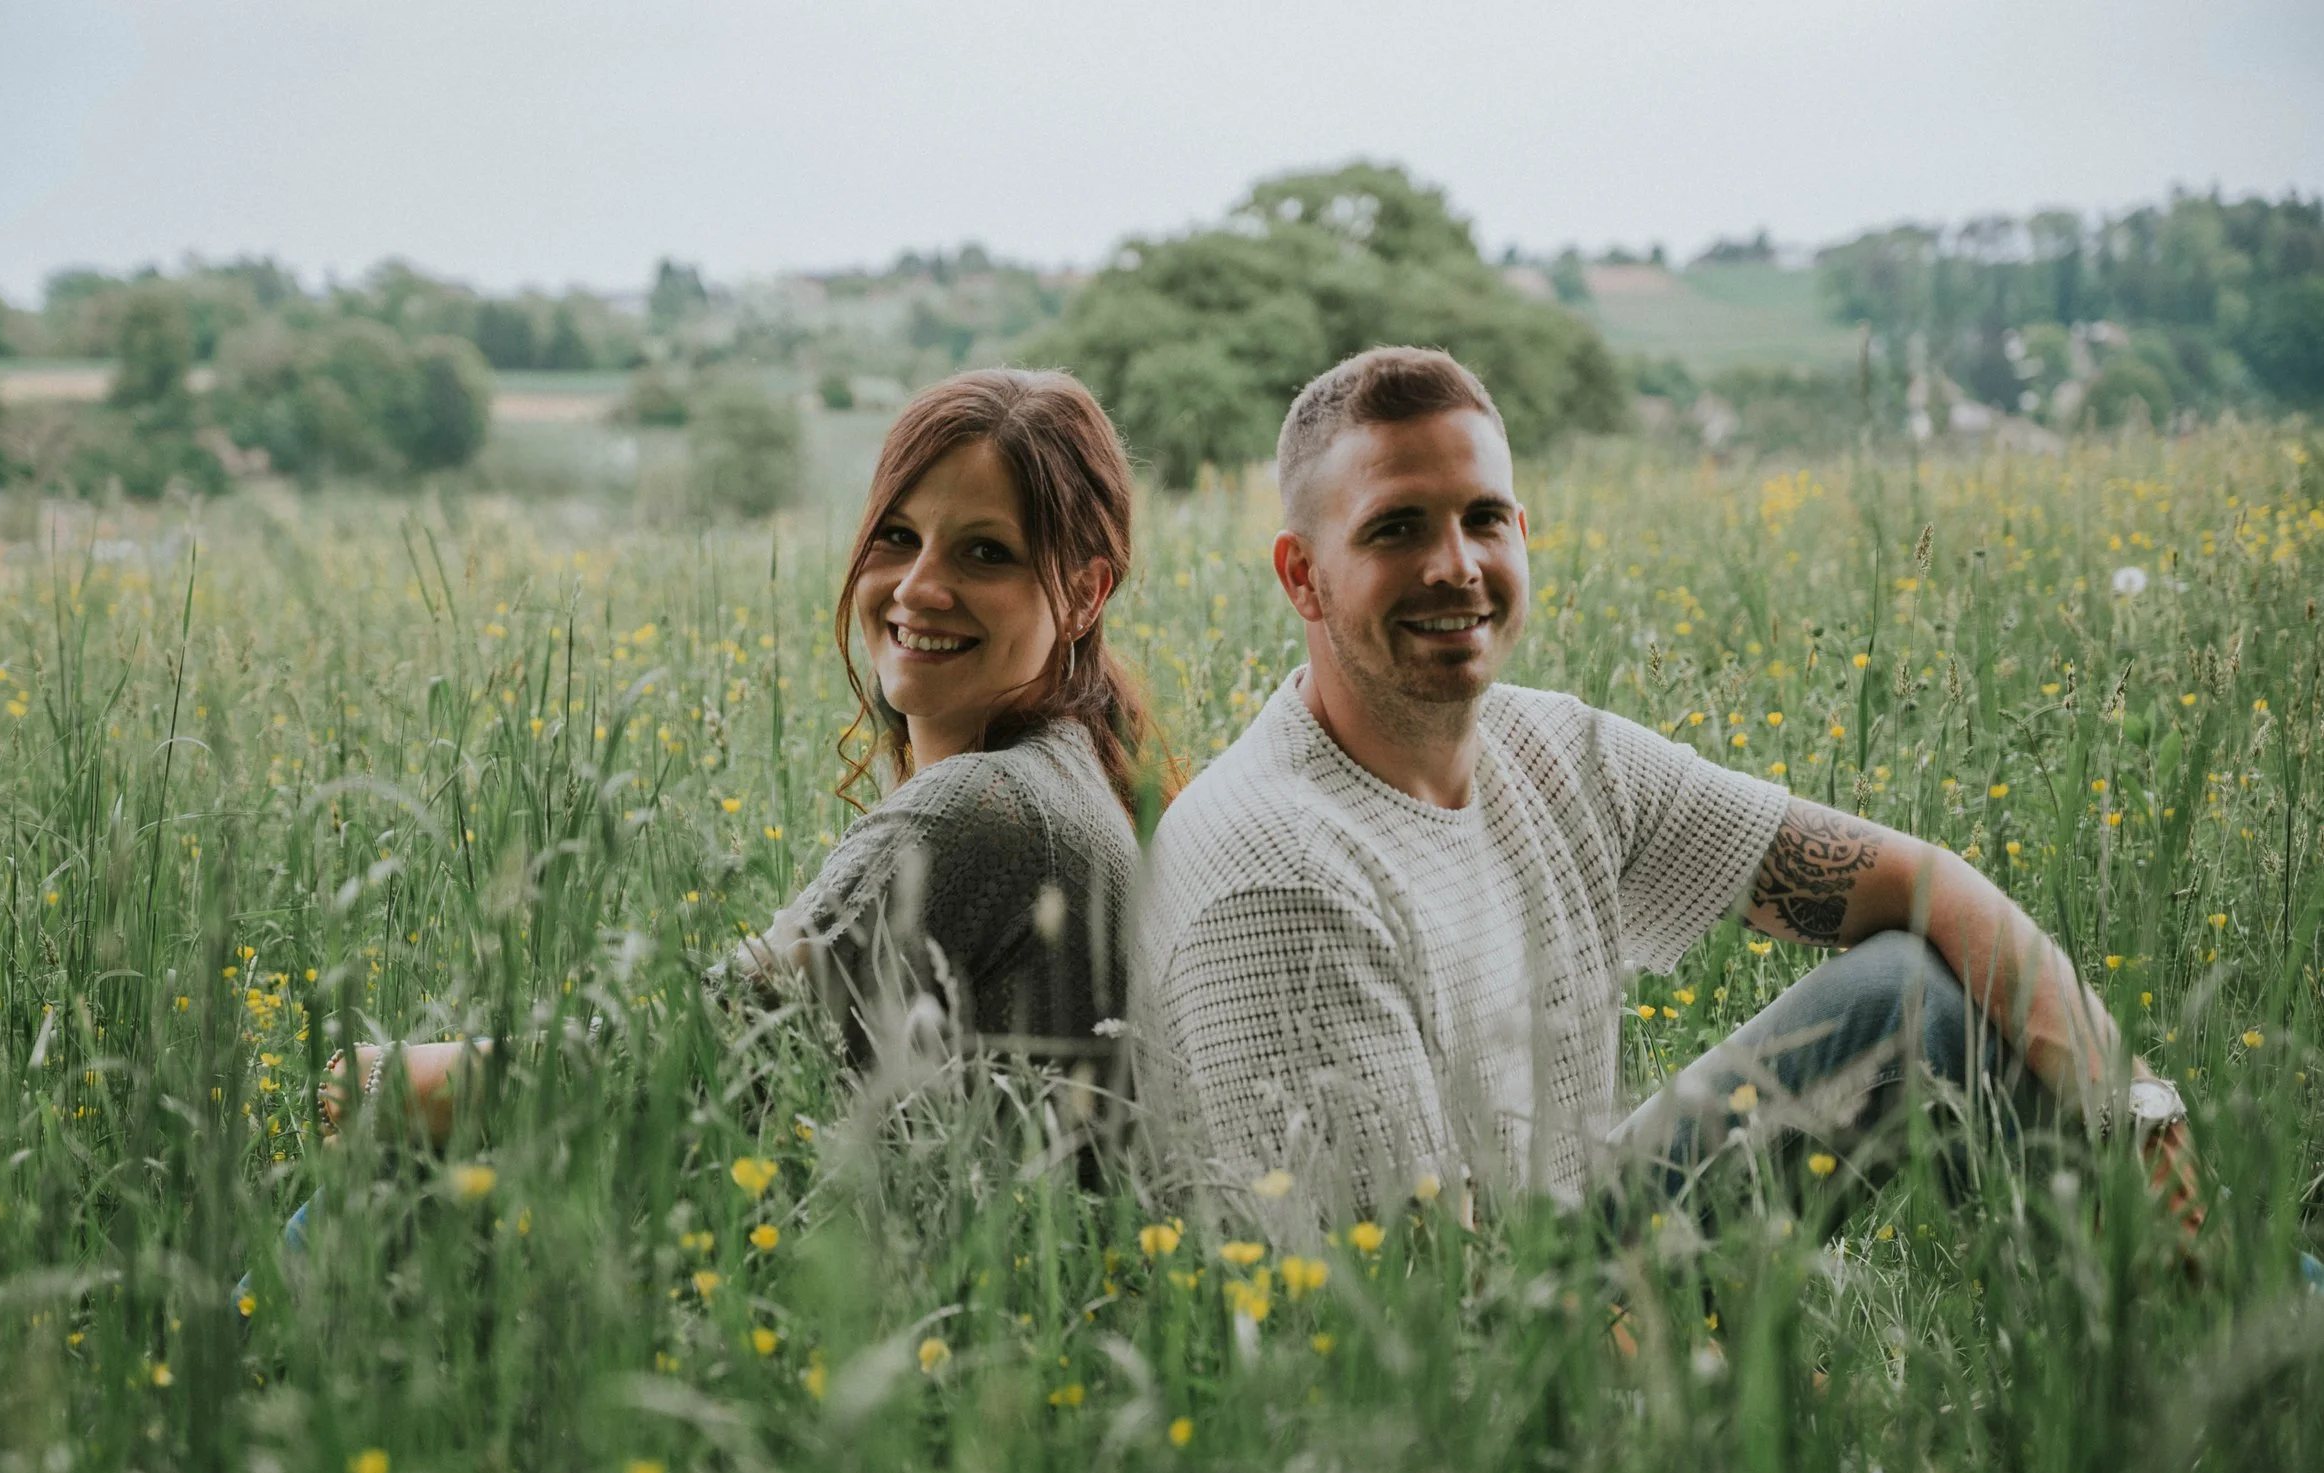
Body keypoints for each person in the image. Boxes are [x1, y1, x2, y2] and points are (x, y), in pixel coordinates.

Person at [1132, 346, 2197, 1231]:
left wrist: (2136, 1110)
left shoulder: (1552, 750)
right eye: (1395, 527)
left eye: (1483, 518)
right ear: (1301, 574)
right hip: (1481, 1337)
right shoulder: (1281, 875)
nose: (1455, 566)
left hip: (1571, 1241)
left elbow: (1921, 885)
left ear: (1521, 535)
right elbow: (1418, 1310)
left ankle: (2155, 1328)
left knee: (1920, 996)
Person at [326, 367, 1156, 1135]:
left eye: (986, 552)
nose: (917, 588)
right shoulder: (1066, 770)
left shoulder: (989, 808)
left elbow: (673, 1061)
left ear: (1084, 594)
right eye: (899, 536)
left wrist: (373, 1082)